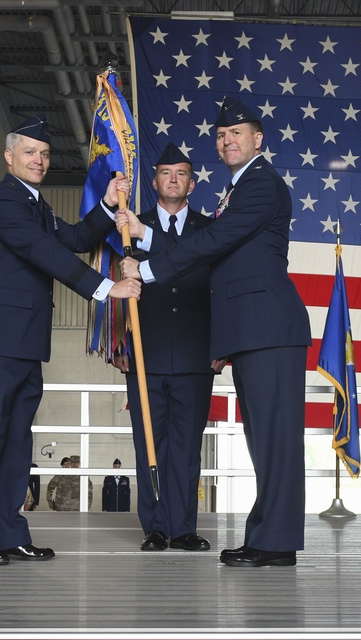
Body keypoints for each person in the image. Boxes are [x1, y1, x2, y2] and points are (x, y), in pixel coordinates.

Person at [118, 98, 311, 567]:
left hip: (268, 328)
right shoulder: (237, 189)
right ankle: (267, 537)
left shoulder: (260, 185)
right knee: (263, 440)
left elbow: (215, 242)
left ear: (258, 140)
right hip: (250, 331)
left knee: (276, 440)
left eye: (237, 134)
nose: (227, 141)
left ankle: (276, 542)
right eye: (221, 136)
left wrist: (148, 261)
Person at [0, 114, 141, 566]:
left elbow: (73, 238)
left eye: (44, 153)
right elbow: (45, 253)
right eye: (30, 152)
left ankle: (7, 533)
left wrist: (108, 205)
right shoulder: (5, 202)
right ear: (9, 157)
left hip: (24, 343)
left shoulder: (34, 205)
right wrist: (104, 288)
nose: (39, 160)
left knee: (17, 444)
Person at [113, 143, 222, 550]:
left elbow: (217, 287)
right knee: (149, 444)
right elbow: (113, 288)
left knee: (186, 447)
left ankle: (184, 528)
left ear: (192, 184)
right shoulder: (127, 225)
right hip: (146, 352)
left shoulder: (208, 230)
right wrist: (117, 342)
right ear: (154, 180)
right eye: (165, 172)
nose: (172, 179)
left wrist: (221, 343)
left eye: (180, 173)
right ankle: (156, 528)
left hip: (196, 353)